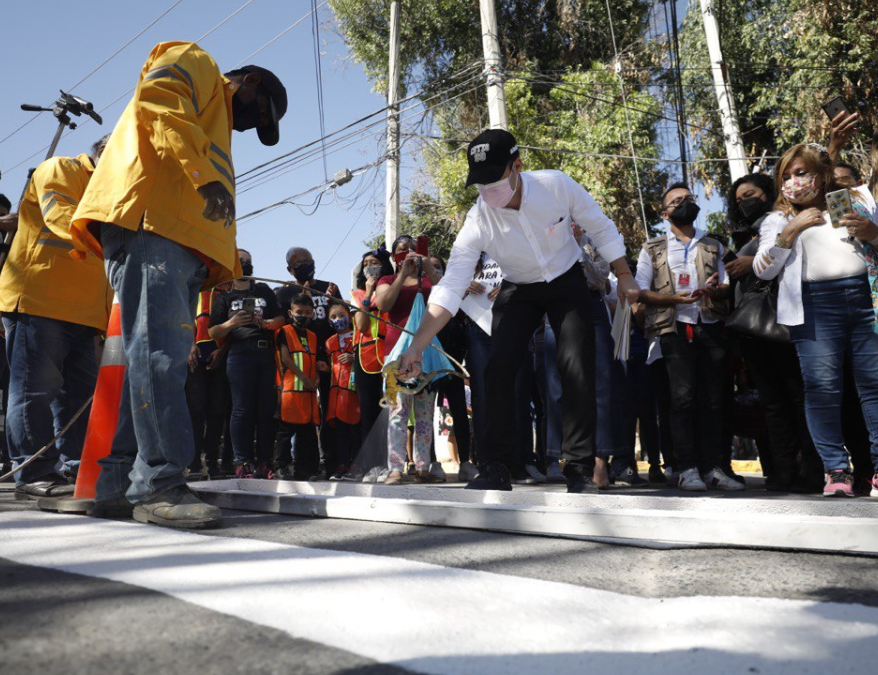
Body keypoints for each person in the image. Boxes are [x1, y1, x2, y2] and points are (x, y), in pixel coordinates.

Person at [70, 41, 287, 527]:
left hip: (171, 237)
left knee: (144, 363)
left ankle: (120, 482)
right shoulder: (198, 61)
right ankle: (160, 483)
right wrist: (202, 173)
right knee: (159, 358)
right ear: (247, 82)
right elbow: (159, 94)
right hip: (154, 227)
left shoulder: (209, 121)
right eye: (258, 113)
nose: (249, 124)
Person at [397, 129, 637, 493]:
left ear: (517, 167)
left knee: (576, 367)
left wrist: (624, 274)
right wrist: (416, 347)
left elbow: (600, 226)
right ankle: (495, 467)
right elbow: (451, 287)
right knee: (497, 372)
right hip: (517, 287)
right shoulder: (478, 219)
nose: (489, 192)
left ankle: (579, 468)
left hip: (565, 280)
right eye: (481, 184)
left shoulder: (556, 185)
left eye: (495, 181)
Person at [753, 143, 878, 499]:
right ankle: (836, 470)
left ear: (822, 176)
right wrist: (789, 232)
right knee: (823, 389)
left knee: (873, 386)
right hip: (815, 306)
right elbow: (763, 271)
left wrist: (873, 234)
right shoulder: (779, 218)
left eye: (801, 173)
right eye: (787, 176)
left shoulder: (853, 203)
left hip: (865, 298)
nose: (794, 182)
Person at [0, 138, 113, 500]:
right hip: (40, 300)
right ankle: (33, 472)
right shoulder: (62, 170)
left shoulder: (112, 192)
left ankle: (78, 467)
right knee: (35, 390)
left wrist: (106, 319)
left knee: (78, 395)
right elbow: (60, 216)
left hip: (85, 312)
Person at [634, 182, 742, 492]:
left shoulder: (713, 245)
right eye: (676, 201)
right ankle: (686, 467)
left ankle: (712, 467)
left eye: (688, 198)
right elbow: (641, 290)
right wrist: (672, 299)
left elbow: (725, 284)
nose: (684, 203)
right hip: (673, 329)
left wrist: (716, 288)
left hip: (708, 324)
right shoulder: (652, 248)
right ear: (665, 213)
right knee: (681, 399)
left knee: (713, 400)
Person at [725, 172, 822, 492]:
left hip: (788, 319)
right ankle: (782, 471)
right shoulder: (742, 233)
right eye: (739, 200)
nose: (745, 203)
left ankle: (812, 468)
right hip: (753, 328)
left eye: (750, 194)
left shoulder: (785, 218)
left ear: (768, 193)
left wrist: (750, 261)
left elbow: (784, 261)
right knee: (773, 403)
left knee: (799, 397)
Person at [209, 250, 285, 478]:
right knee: (241, 409)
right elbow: (213, 331)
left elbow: (281, 319)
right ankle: (242, 462)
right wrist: (233, 322)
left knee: (265, 410)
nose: (245, 265)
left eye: (248, 262)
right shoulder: (223, 296)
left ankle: (264, 462)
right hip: (239, 354)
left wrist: (267, 323)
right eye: (240, 262)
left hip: (265, 351)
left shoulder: (262, 289)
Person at [376, 235, 442, 485]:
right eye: (402, 250)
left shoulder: (428, 281)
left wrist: (428, 268)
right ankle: (395, 467)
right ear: (394, 257)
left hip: (428, 352)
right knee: (398, 410)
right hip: (397, 353)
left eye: (413, 249)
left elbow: (449, 295)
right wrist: (402, 275)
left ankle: (423, 467)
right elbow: (383, 303)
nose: (408, 253)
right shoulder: (388, 279)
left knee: (425, 412)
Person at [276, 247, 342, 477]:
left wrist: (331, 300)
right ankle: (285, 464)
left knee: (328, 413)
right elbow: (285, 327)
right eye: (298, 263)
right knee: (297, 419)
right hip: (299, 367)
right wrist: (303, 294)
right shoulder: (284, 292)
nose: (304, 265)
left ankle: (332, 462)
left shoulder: (329, 287)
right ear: (290, 269)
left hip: (327, 358)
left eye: (308, 261)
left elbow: (340, 316)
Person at [351, 248, 394, 481]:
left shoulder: (392, 287)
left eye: (374, 262)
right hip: (365, 356)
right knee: (368, 412)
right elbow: (360, 324)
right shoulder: (357, 294)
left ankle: (392, 464)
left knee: (390, 413)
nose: (370, 266)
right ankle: (371, 466)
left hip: (390, 355)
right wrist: (368, 293)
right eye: (366, 262)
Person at [185, 283, 231, 479]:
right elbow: (183, 319)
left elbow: (236, 327)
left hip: (220, 357)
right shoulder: (194, 288)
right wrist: (189, 344)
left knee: (217, 412)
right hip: (195, 357)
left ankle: (213, 462)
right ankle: (194, 463)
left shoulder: (230, 292)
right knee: (195, 410)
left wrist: (222, 350)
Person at [275, 296, 321, 479]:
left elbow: (313, 359)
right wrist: (305, 379)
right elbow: (286, 359)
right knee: (285, 430)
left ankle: (304, 470)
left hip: (308, 392)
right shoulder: (284, 331)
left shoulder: (313, 336)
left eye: (308, 313)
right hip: (290, 389)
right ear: (290, 313)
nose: (304, 316)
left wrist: (316, 376)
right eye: (299, 312)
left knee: (306, 432)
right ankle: (281, 466)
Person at [325, 300, 360, 480]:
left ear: (350, 316)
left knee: (355, 430)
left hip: (354, 391)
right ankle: (342, 465)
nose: (338, 319)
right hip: (336, 393)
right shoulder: (329, 342)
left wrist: (354, 358)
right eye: (333, 317)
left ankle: (356, 465)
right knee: (340, 431)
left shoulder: (358, 336)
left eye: (341, 315)